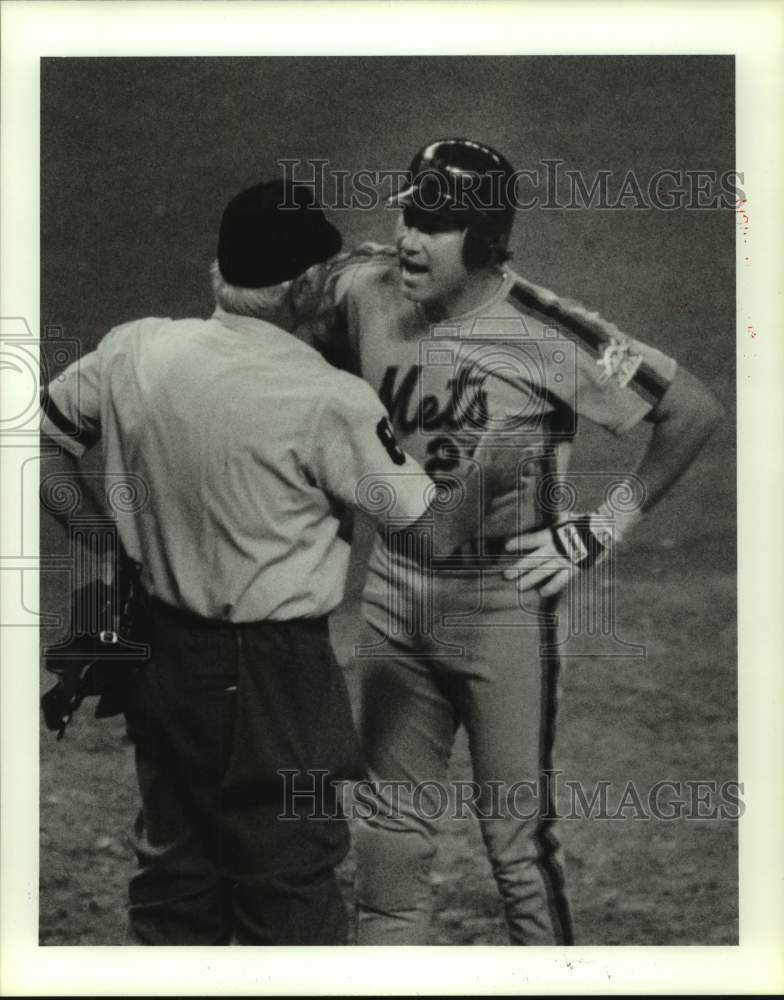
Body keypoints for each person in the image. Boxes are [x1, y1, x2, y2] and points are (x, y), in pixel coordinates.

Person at [38, 178, 491, 946]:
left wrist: (104, 536)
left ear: (221, 269)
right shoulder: (327, 399)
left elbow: (39, 439)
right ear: (309, 285)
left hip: (161, 658)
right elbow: (431, 538)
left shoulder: (135, 348)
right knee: (291, 890)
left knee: (175, 879)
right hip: (272, 677)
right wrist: (493, 465)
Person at [301, 137, 724, 945]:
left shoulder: (544, 327)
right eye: (409, 213)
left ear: (487, 238)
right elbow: (285, 341)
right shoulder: (363, 291)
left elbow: (692, 409)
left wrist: (602, 527)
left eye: (438, 223)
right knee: (388, 849)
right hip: (394, 591)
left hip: (503, 604)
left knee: (517, 851)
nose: (412, 238)